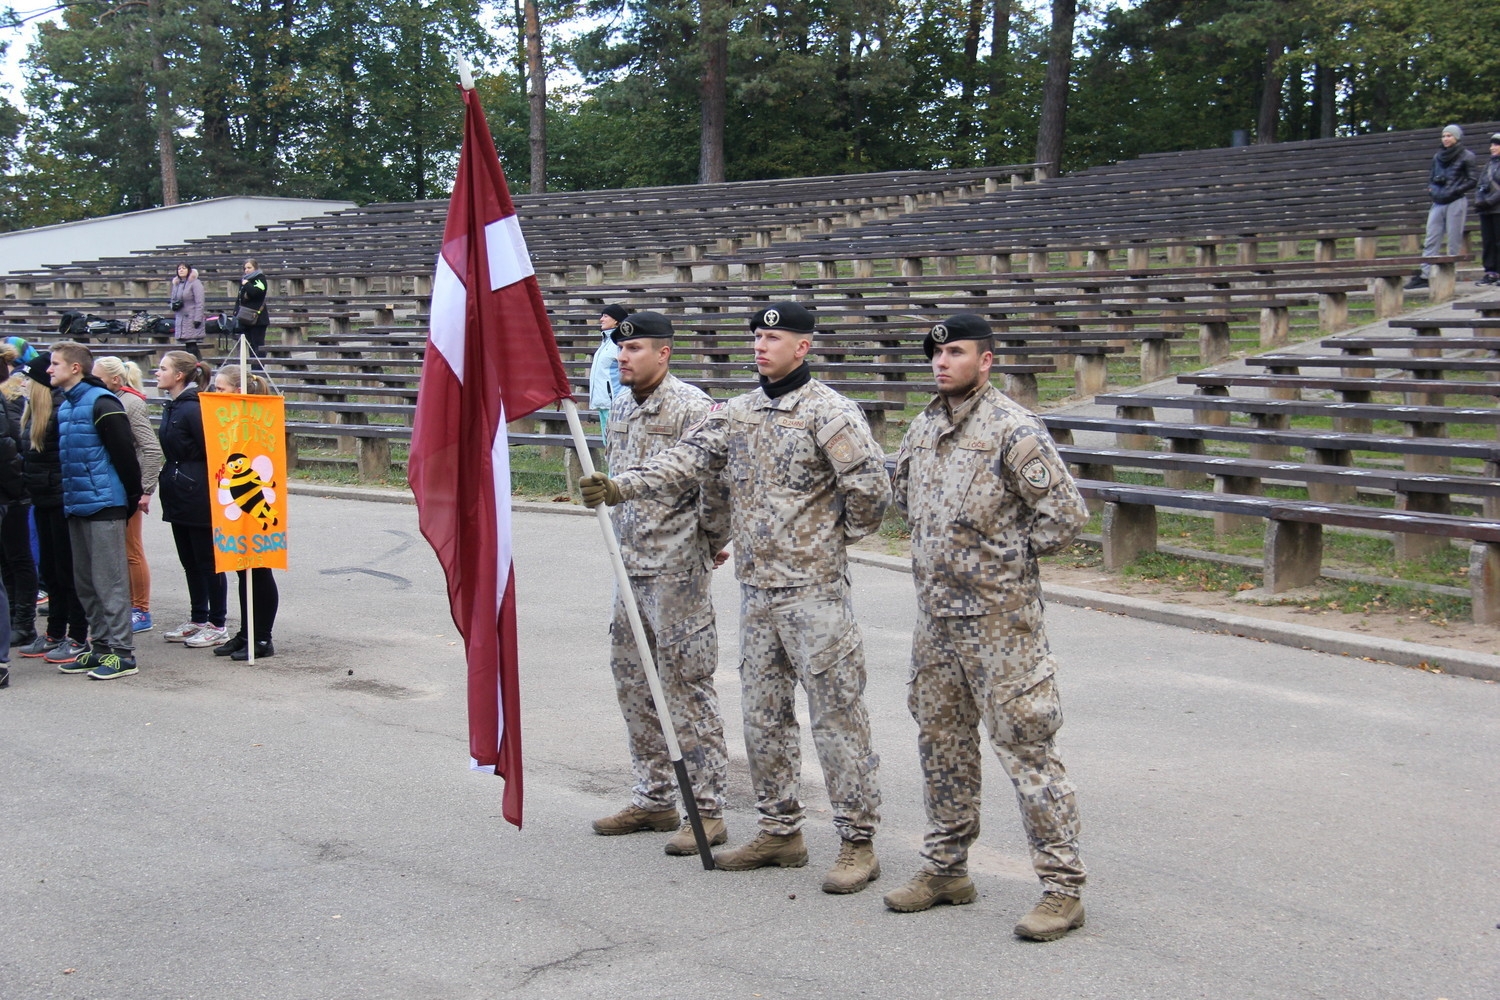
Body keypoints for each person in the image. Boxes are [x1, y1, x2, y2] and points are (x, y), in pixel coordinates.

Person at [581, 301, 891, 895]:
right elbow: (688, 460)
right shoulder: (739, 413)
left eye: (774, 337)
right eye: (756, 335)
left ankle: (857, 840)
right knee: (763, 716)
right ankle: (780, 829)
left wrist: (831, 539)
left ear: (803, 347)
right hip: (756, 591)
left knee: (836, 715)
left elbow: (871, 491)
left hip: (814, 592)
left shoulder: (829, 411)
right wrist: (622, 486)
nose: (760, 345)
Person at [883, 314, 1090, 942]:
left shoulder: (1011, 428)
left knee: (1027, 748)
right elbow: (903, 495)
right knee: (941, 743)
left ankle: (1062, 887)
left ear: (987, 360)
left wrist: (1002, 560)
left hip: (1001, 624)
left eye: (956, 352)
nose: (942, 362)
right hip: (936, 620)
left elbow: (1065, 516)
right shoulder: (924, 428)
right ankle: (947, 868)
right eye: (936, 353)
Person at [587, 311, 733, 855]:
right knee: (634, 682)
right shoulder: (623, 404)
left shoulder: (694, 408)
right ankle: (653, 797)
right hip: (629, 566)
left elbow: (717, 488)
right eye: (620, 349)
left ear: (664, 353)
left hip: (675, 573)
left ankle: (708, 808)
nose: (623, 357)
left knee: (686, 686)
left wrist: (707, 540)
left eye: (636, 349)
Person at [46, 342, 143, 681]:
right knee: (85, 582)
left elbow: (125, 455)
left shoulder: (102, 402)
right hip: (77, 503)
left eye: (55, 363)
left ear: (75, 368)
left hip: (104, 504)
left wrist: (130, 497)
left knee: (110, 581)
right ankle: (99, 646)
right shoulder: (68, 405)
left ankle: (122, 653)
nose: (48, 369)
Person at [16, 353, 90, 665]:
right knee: (49, 570)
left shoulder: (60, 409)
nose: (22, 383)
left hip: (62, 500)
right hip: (42, 499)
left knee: (67, 571)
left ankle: (76, 635)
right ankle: (54, 632)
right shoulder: (32, 412)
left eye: (28, 378)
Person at [155, 351, 229, 649]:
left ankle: (217, 622)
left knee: (207, 561)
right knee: (189, 561)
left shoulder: (193, 408)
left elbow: (211, 451)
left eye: (162, 368)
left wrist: (194, 482)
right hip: (176, 491)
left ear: (179, 376)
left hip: (196, 492)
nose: (156, 373)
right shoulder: (173, 407)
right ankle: (198, 617)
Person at [210, 364, 278, 661]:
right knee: (242, 569)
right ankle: (246, 633)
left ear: (238, 392)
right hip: (234, 507)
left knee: (258, 568)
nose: (215, 393)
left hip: (256, 505)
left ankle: (262, 638)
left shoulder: (253, 421)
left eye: (220, 389)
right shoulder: (225, 421)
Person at [93, 357, 162, 633]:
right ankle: (125, 605)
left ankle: (141, 609)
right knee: (118, 549)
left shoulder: (130, 403)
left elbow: (151, 449)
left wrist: (145, 489)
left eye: (97, 378)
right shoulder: (104, 399)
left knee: (132, 548)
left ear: (115, 380)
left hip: (127, 487)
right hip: (110, 486)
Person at [0, 341, 37, 647]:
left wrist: (16, 487)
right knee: (6, 558)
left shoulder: (12, 395)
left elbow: (11, 445)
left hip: (13, 490)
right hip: (10, 488)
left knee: (18, 556)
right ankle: (11, 617)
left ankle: (23, 621)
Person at [1408, 124, 1476, 290]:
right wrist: (1433, 190)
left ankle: (1448, 274)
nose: (1446, 139)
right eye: (1444, 135)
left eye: (1449, 136)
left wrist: (1454, 190)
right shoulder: (1437, 156)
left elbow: (1472, 180)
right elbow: (1431, 178)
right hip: (1438, 201)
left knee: (1453, 238)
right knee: (1431, 237)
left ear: (1457, 138)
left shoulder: (1467, 156)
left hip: (1456, 200)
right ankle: (1425, 274)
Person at [590, 304, 626, 438]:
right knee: (607, 445)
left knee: (616, 444)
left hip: (614, 404)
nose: (601, 319)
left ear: (616, 320)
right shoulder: (605, 342)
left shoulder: (619, 343)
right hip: (603, 402)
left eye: (605, 316)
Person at [1474, 134, 1500, 285]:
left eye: (1496, 145)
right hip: (1486, 210)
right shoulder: (1488, 165)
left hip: (1497, 209)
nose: (1492, 148)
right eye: (1492, 145)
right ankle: (1490, 272)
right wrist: (1479, 201)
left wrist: (1489, 201)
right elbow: (1480, 185)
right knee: (1488, 241)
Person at [236, 259, 269, 366]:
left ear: (255, 268)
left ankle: (259, 370)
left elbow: (257, 293)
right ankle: (253, 368)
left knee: (258, 345)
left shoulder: (260, 279)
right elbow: (240, 299)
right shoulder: (245, 280)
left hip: (258, 319)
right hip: (245, 318)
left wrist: (247, 285)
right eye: (245, 268)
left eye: (249, 268)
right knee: (250, 345)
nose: (246, 270)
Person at [170, 263, 206, 359]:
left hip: (192, 318)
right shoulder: (176, 284)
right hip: (181, 318)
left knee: (192, 345)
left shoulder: (195, 283)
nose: (181, 270)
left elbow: (200, 302)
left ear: (188, 270)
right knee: (187, 346)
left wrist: (198, 318)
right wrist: (174, 306)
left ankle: (198, 366)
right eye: (179, 268)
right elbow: (172, 299)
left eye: (183, 268)